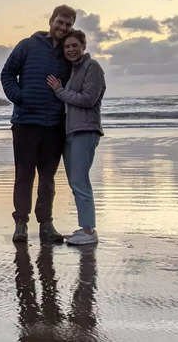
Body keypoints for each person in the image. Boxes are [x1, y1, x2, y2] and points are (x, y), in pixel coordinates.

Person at [1, 5, 75, 243]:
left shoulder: (67, 53)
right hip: (25, 122)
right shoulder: (27, 45)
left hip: (54, 125)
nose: (63, 27)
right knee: (24, 175)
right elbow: (7, 74)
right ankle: (21, 224)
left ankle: (46, 225)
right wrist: (20, 97)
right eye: (60, 22)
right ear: (51, 20)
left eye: (68, 24)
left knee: (48, 178)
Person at [46, 29, 105, 245]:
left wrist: (59, 91)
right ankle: (84, 228)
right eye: (67, 46)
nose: (71, 49)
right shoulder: (73, 70)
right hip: (71, 132)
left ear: (83, 46)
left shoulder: (93, 67)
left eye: (74, 45)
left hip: (86, 131)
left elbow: (88, 99)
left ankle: (89, 232)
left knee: (80, 181)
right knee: (75, 182)